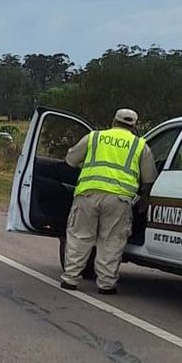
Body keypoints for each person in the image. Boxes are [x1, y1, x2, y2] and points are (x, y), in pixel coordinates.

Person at [60, 108, 157, 295]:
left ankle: (70, 279)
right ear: (134, 126)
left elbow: (70, 160)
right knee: (112, 241)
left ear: (113, 121)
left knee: (80, 236)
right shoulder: (140, 145)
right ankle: (106, 284)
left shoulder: (94, 137)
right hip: (119, 200)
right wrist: (144, 198)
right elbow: (149, 178)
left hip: (88, 194)